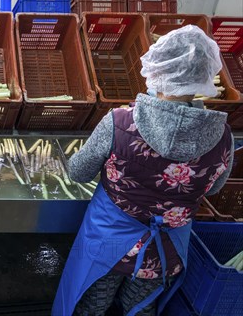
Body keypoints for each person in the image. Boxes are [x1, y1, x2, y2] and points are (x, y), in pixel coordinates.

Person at [52, 25, 234, 316]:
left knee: (91, 306)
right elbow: (213, 187)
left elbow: (79, 172)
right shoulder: (222, 135)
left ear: (158, 72)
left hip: (108, 246)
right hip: (166, 250)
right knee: (140, 307)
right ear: (204, 77)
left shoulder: (121, 121)